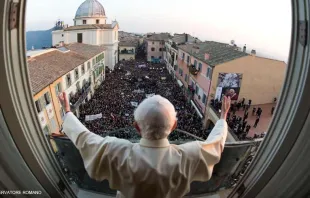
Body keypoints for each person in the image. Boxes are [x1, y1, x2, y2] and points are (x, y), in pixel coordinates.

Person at [58, 92, 231, 198]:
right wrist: (222, 119)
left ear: (136, 127)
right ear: (174, 126)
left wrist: (68, 113)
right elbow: (215, 144)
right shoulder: (190, 155)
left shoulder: (115, 151)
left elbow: (84, 138)